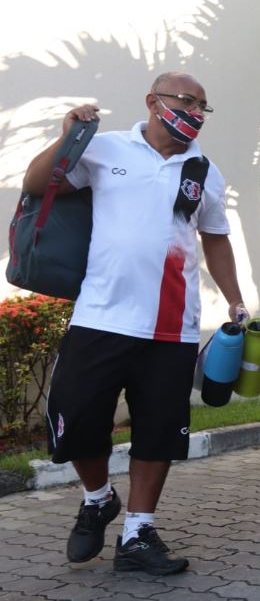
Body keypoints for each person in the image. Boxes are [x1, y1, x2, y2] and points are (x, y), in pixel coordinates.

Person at [22, 72, 246, 575]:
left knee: (159, 431)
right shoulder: (103, 150)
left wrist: (235, 301)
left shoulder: (204, 170)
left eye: (202, 106)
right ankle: (98, 498)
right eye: (184, 100)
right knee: (74, 416)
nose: (193, 111)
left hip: (171, 325)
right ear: (153, 101)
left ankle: (138, 533)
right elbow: (37, 184)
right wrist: (67, 137)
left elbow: (215, 238)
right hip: (100, 314)